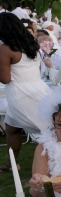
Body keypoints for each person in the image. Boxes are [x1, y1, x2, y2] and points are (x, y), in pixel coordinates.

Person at [0, 13, 50, 171]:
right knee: (12, 129)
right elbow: (38, 69)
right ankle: (10, 164)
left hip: (20, 94)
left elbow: (5, 79)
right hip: (39, 88)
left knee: (47, 131)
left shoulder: (5, 49)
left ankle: (55, 165)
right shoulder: (32, 44)